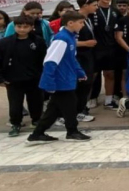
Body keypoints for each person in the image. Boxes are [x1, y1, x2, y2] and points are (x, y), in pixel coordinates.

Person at [27, 11, 91, 144]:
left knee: (54, 108)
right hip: (61, 80)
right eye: (81, 22)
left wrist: (79, 72)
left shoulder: (70, 37)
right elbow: (50, 61)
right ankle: (72, 131)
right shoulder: (61, 39)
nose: (83, 25)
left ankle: (37, 134)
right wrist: (49, 82)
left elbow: (71, 59)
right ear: (70, 23)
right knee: (70, 105)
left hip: (67, 78)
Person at [0, 15, 47, 137]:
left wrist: (44, 75)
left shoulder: (38, 41)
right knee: (15, 104)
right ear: (14, 27)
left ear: (31, 27)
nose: (22, 29)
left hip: (34, 78)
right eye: (19, 26)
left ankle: (36, 120)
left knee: (36, 101)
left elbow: (44, 59)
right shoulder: (4, 43)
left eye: (25, 27)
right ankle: (15, 123)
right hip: (13, 79)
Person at [90, 0, 120, 110]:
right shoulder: (93, 10)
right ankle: (90, 99)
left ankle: (108, 101)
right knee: (93, 75)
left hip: (111, 48)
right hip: (95, 48)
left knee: (110, 74)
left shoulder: (115, 11)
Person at [74, 0, 98, 123]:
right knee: (81, 83)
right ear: (85, 5)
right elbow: (67, 40)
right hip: (78, 56)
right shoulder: (74, 19)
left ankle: (81, 108)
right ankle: (77, 111)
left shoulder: (88, 18)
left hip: (88, 55)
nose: (96, 8)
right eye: (94, 5)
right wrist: (85, 43)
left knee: (87, 83)